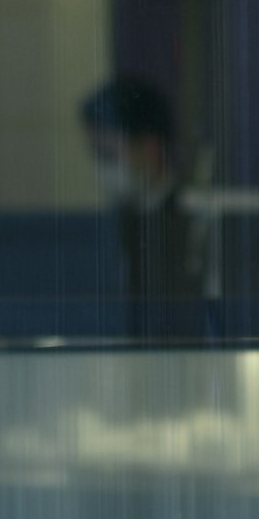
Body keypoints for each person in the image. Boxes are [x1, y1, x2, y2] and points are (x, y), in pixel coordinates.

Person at [79, 73, 207, 334]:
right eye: (96, 154)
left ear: (149, 147)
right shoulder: (115, 225)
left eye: (108, 155)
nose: (102, 168)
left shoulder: (195, 222)